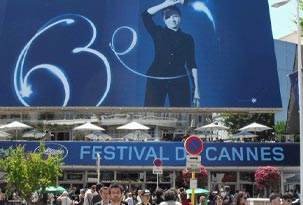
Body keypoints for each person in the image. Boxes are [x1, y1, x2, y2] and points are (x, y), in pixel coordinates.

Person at [142, 0, 200, 107]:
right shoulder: (158, 33)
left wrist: (196, 89)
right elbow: (145, 15)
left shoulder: (187, 39)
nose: (172, 19)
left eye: (175, 16)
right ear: (164, 20)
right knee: (151, 113)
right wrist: (166, 4)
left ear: (180, 18)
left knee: (182, 115)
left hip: (179, 80)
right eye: (168, 17)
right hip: (156, 78)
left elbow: (192, 64)